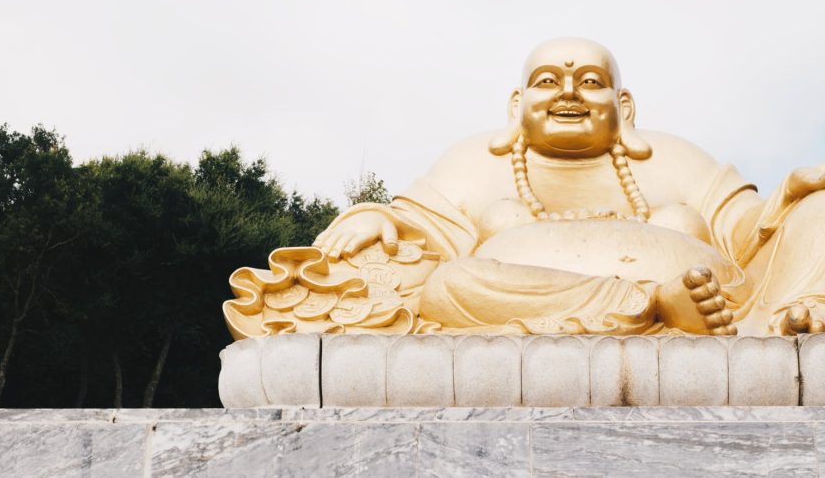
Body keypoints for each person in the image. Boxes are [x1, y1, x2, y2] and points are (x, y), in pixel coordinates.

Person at [224, 38, 825, 338]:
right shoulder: (472, 161)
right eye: (547, 81)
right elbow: (422, 229)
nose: (568, 92)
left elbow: (749, 233)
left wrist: (791, 194)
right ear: (518, 104)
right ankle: (649, 306)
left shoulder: (676, 158)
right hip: (535, 295)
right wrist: (375, 215)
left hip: (725, 302)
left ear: (623, 105)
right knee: (454, 282)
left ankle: (791, 315)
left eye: (590, 82)